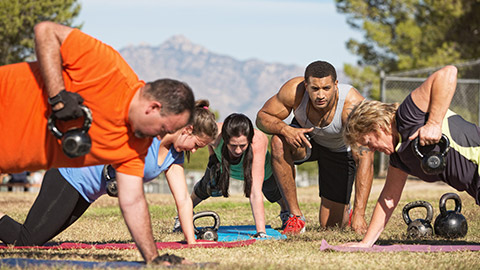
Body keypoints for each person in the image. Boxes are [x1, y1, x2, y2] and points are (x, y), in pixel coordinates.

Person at [0, 22, 194, 263]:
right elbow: (45, 30)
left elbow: (132, 200)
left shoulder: (136, 144)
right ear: (154, 108)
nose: (159, 137)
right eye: (164, 129)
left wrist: (153, 258)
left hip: (10, 154)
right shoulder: (109, 67)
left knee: (29, 242)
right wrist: (58, 98)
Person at [0, 100, 218, 262]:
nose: (194, 150)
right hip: (69, 175)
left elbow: (183, 200)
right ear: (188, 130)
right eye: (197, 144)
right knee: (27, 243)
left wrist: (191, 242)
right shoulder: (147, 132)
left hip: (86, 194)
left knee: (33, 239)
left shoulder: (174, 156)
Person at [341, 65, 477, 247]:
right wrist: (366, 243)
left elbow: (448, 73)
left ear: (378, 126)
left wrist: (434, 123)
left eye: (368, 141)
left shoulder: (408, 115)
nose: (370, 149)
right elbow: (388, 198)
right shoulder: (399, 157)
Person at [256, 60, 374, 234]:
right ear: (306, 85)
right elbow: (262, 117)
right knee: (278, 141)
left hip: (338, 150)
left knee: (331, 226)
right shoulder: (294, 91)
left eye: (326, 88)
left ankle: (346, 212)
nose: (320, 95)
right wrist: (285, 129)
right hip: (305, 139)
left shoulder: (352, 106)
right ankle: (294, 217)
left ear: (336, 85)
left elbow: (365, 158)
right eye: (315, 89)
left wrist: (359, 214)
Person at [173, 113, 288, 237]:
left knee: (274, 194)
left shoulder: (258, 140)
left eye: (242, 145)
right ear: (225, 139)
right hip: (224, 166)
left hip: (262, 173)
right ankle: (183, 215)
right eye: (233, 145)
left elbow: (255, 192)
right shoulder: (214, 134)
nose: (238, 151)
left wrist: (261, 232)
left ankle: (286, 212)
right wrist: (213, 159)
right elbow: (198, 140)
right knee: (204, 188)